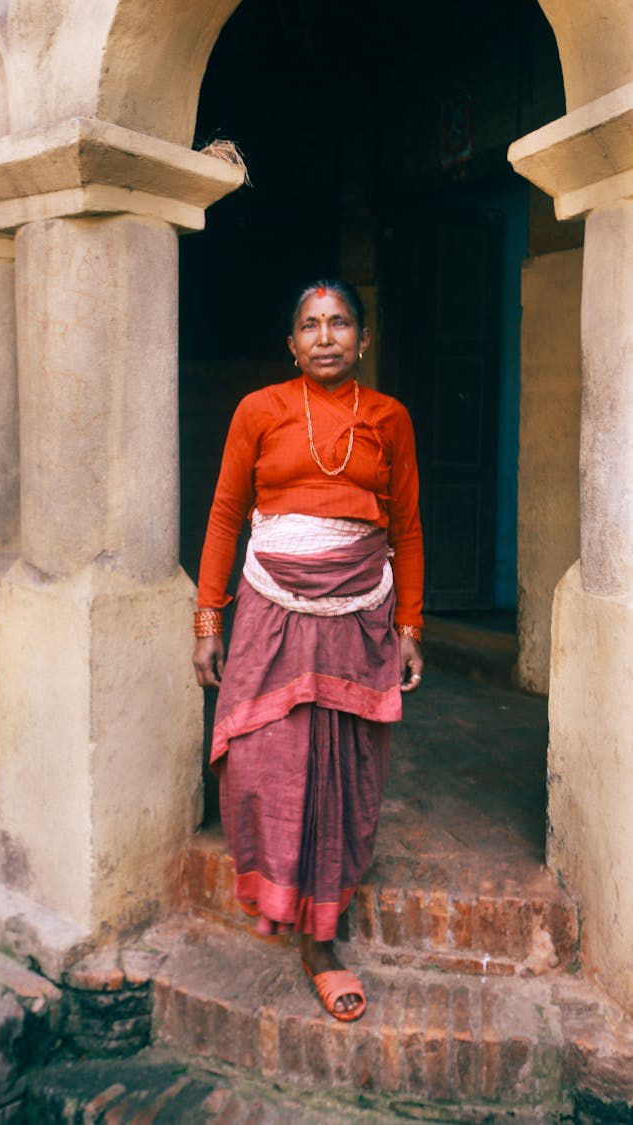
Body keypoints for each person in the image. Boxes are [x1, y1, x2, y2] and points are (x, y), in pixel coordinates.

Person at [192, 279, 424, 1021]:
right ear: (291, 343)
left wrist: (411, 626)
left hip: (360, 612)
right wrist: (208, 619)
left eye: (340, 322)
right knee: (265, 758)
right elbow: (228, 512)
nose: (325, 336)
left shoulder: (390, 418)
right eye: (310, 325)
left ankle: (321, 936)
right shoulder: (259, 410)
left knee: (343, 767)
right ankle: (278, 892)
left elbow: (409, 527)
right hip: (270, 606)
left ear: (363, 338)